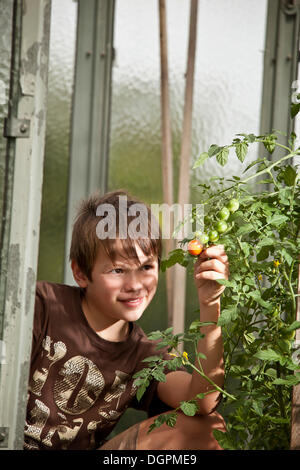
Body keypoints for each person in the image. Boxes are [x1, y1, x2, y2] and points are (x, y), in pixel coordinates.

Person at [24, 190, 228, 450]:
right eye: (118, 270)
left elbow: (202, 400)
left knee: (206, 427)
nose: (135, 285)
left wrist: (211, 306)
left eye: (146, 267)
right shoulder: (43, 305)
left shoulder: (145, 354)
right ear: (81, 273)